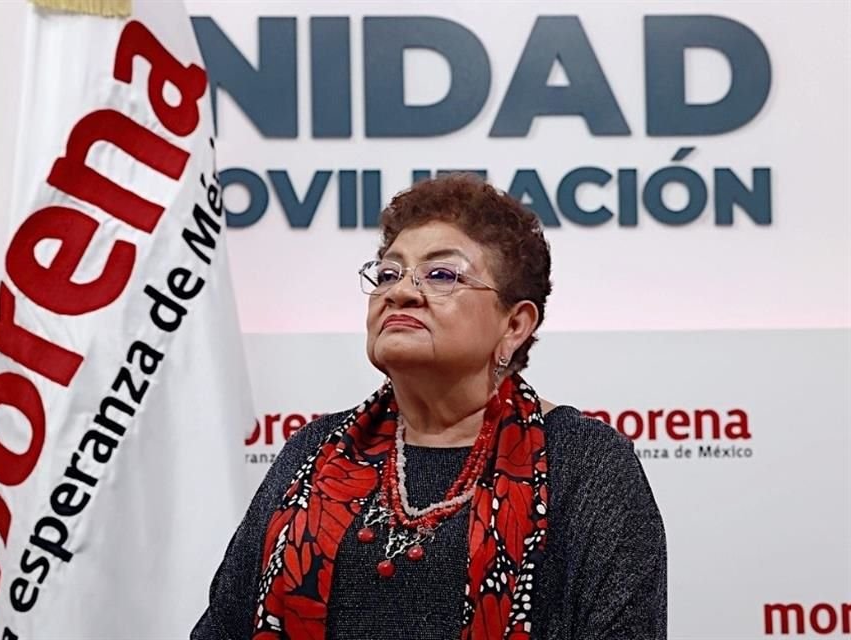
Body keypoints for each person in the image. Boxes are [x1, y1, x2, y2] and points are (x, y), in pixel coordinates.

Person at [192, 174, 667, 640]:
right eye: (388, 274)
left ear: (515, 324)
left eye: (441, 275)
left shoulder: (583, 461)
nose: (400, 291)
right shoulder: (314, 452)